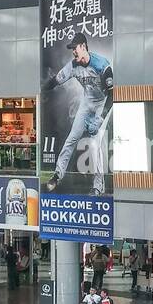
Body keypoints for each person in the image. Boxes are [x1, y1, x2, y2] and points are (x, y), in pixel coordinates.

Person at [42, 32, 113, 195]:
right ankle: (57, 175)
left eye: (75, 48)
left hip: (103, 104)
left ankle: (98, 186)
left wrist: (101, 118)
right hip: (87, 103)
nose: (73, 51)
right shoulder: (73, 65)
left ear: (83, 47)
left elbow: (112, 94)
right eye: (72, 48)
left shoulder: (102, 65)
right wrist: (40, 89)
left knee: (96, 144)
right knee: (71, 138)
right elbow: (55, 81)